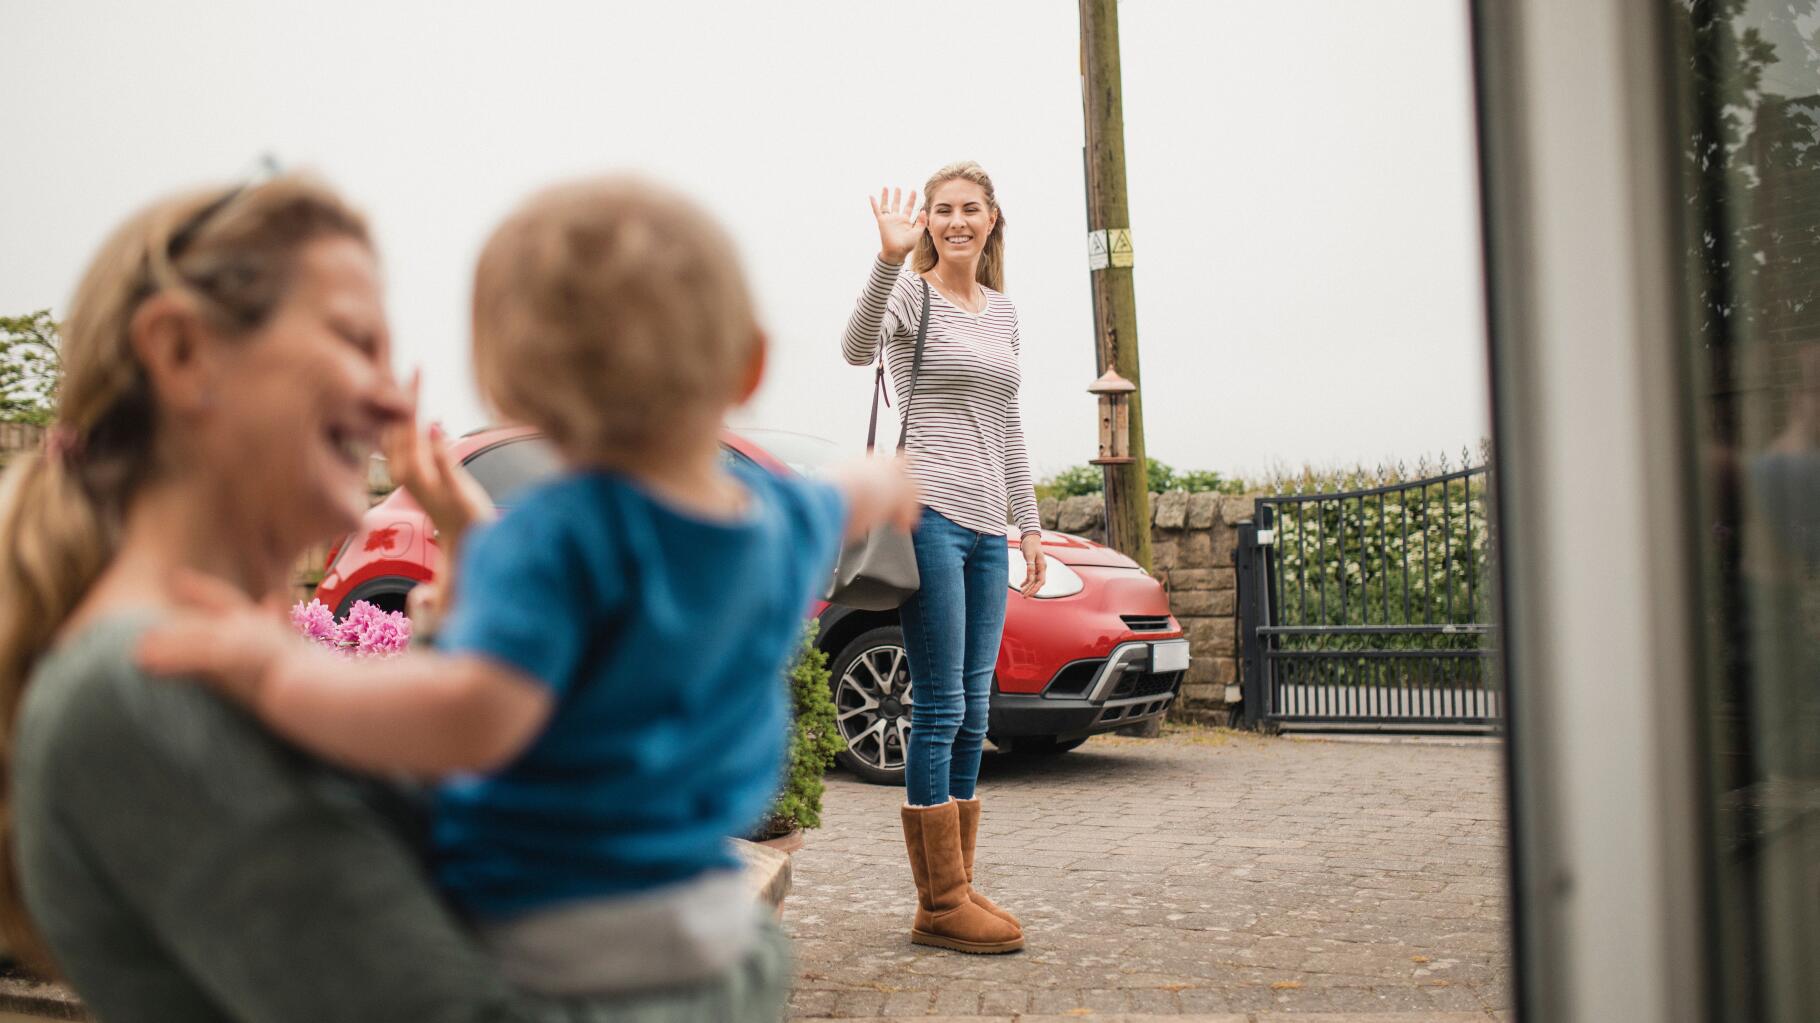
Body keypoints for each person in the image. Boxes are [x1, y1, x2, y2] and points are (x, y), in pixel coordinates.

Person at [0, 174, 784, 1021]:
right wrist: (750, 962)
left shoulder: (204, 660)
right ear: (182, 350)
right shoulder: (140, 688)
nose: (390, 396)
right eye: (354, 341)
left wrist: (483, 602)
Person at [138, 175, 921, 997]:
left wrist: (274, 672)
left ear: (505, 386)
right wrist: (883, 480)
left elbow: (471, 716)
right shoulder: (775, 519)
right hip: (711, 937)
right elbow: (848, 494)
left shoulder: (548, 537)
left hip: (551, 942)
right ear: (750, 364)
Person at [840, 161, 1042, 955]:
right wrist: (889, 257)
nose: (956, 220)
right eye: (941, 210)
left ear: (993, 220)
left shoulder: (1003, 312)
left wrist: (1027, 525)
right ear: (927, 221)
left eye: (970, 208)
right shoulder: (911, 293)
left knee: (976, 711)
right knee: (941, 709)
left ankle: (954, 882)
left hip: (989, 527)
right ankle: (940, 899)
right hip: (927, 516)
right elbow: (857, 349)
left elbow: (1011, 422)